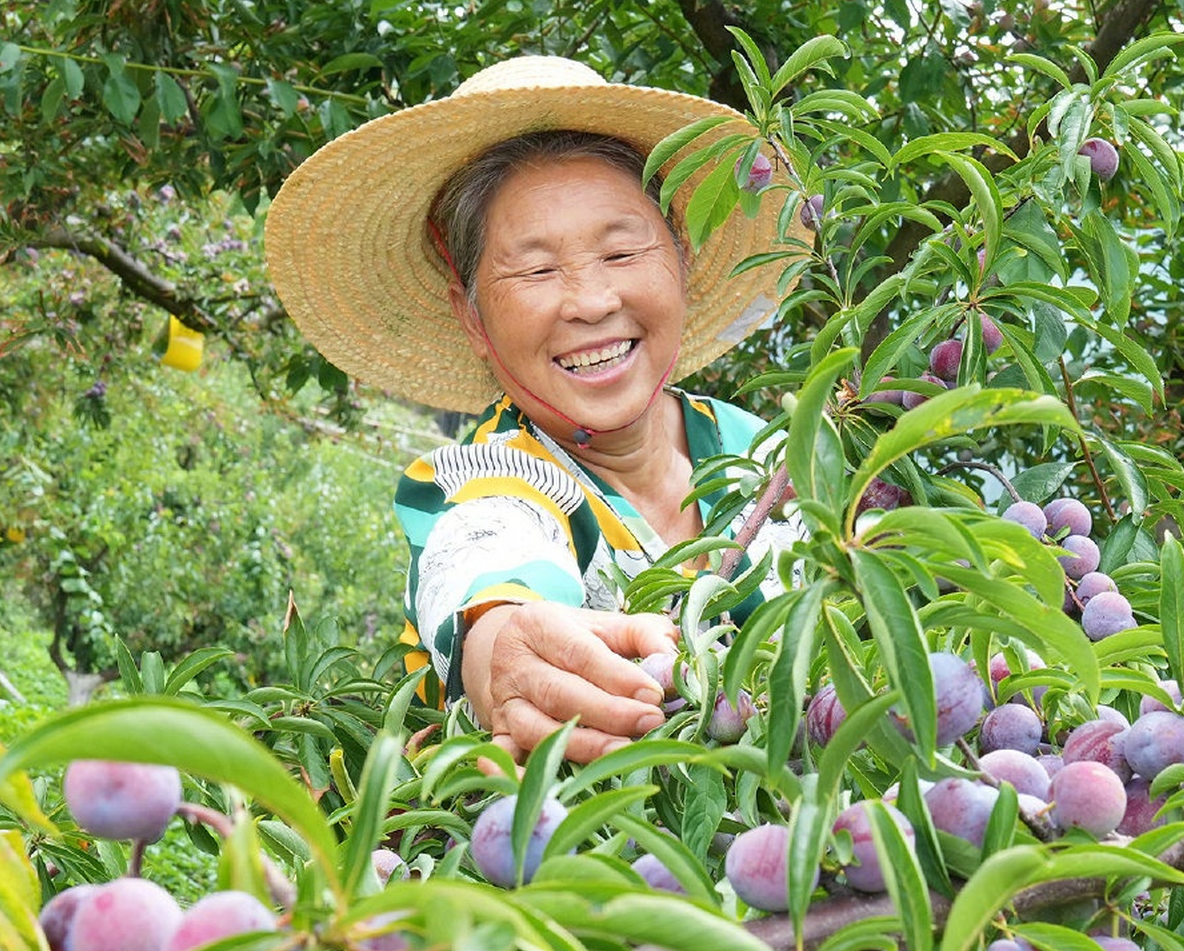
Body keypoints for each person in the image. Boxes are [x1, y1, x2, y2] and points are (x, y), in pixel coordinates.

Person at [266, 55, 804, 768]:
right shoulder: (484, 477)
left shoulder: (770, 451)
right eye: (536, 269)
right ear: (471, 314)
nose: (590, 301)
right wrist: (505, 651)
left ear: (679, 254)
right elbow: (489, 570)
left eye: (620, 250)